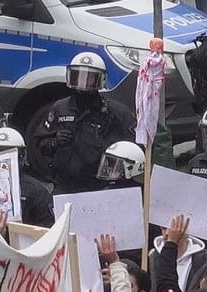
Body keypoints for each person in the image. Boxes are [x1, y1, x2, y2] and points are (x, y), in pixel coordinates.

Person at [30, 52, 136, 194]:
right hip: (65, 185)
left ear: (101, 80)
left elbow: (134, 147)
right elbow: (39, 143)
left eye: (90, 79)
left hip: (101, 187)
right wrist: (55, 142)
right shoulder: (60, 108)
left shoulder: (116, 112)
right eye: (78, 77)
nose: (83, 83)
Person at [0, 128, 54, 227]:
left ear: (21, 157)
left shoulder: (36, 192)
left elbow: (47, 228)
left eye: (7, 155)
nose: (0, 163)